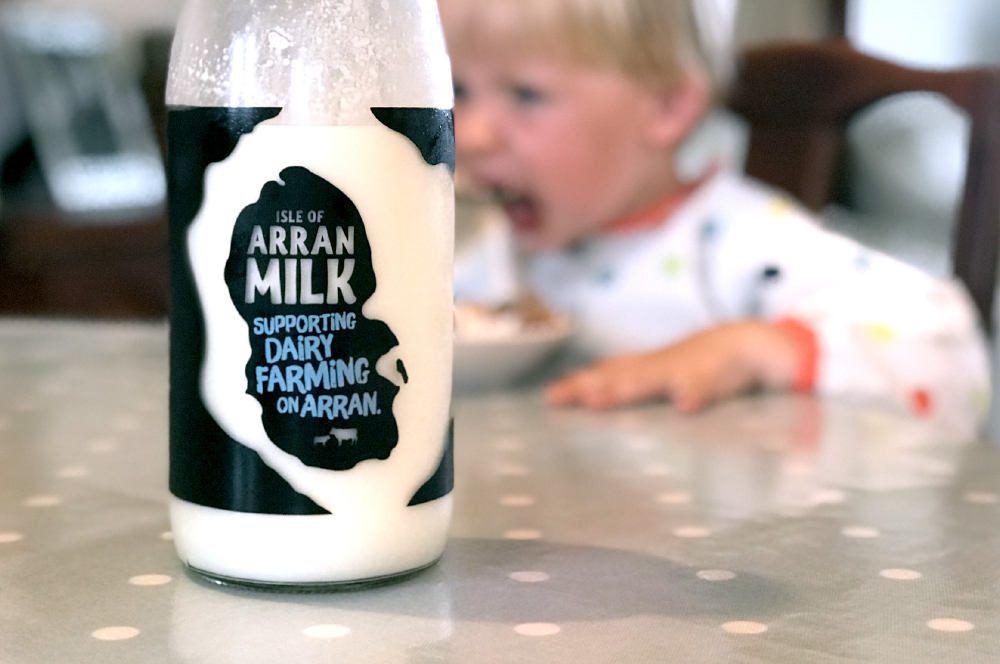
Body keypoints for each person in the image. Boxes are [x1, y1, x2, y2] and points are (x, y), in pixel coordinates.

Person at [442, 0, 991, 429]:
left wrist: (759, 347)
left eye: (527, 95)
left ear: (666, 106)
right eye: (458, 90)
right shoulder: (501, 251)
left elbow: (952, 355)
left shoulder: (741, 244)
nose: (469, 134)